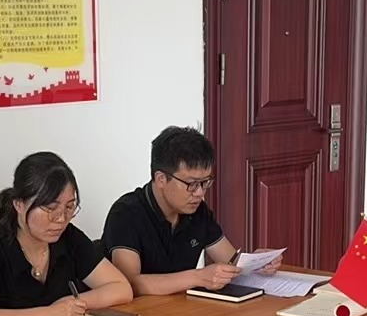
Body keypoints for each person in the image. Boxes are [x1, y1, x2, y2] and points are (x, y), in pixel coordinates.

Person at [0, 151, 132, 316]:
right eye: (50, 208)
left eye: (69, 206)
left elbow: (121, 288)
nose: (61, 218)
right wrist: (49, 315)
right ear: (19, 204)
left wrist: (71, 303)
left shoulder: (69, 238)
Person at [101, 126, 282, 295]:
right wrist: (198, 277)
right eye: (192, 184)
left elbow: (230, 260)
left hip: (182, 308)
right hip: (140, 313)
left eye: (205, 182)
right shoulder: (126, 213)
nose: (200, 193)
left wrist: (256, 263)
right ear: (161, 179)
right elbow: (129, 283)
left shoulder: (197, 210)